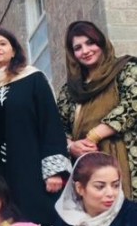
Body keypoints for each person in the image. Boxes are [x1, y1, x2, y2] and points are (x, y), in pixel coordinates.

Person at [0, 28, 70, 226]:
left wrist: (54, 171)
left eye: (2, 43)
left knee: (39, 222)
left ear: (13, 51)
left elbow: (50, 123)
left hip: (33, 168)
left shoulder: (33, 78)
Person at [57, 20, 137, 198]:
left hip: (128, 158)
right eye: (78, 48)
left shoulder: (126, 69)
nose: (85, 51)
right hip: (86, 166)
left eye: (90, 43)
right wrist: (71, 146)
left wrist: (94, 136)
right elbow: (57, 126)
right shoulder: (69, 90)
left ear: (101, 42)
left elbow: (132, 104)